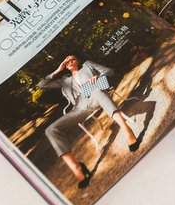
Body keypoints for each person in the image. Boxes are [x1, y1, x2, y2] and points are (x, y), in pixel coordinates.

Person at [37, 55, 139, 189]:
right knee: (50, 130)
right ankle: (77, 168)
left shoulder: (87, 65)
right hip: (78, 108)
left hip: (95, 95)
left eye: (72, 59)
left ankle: (126, 130)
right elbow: (42, 85)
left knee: (96, 91)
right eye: (67, 61)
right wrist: (58, 70)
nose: (69, 62)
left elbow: (109, 71)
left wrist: (98, 77)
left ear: (77, 61)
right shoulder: (65, 80)